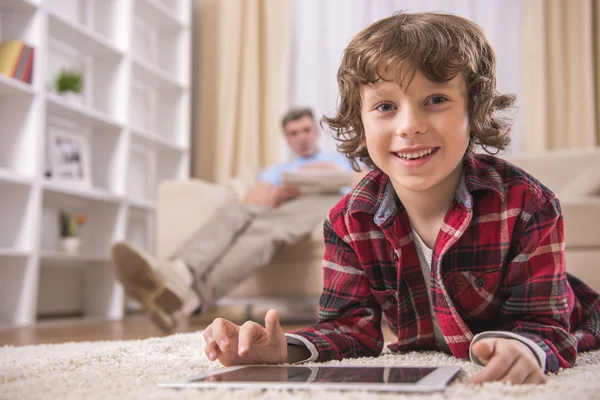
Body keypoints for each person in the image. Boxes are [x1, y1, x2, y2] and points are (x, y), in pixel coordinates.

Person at [201, 11, 600, 385]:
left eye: (436, 100)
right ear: (360, 119)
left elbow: (547, 325)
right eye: (386, 106)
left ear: (473, 108)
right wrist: (282, 349)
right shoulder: (349, 219)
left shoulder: (527, 203)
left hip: (580, 317)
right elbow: (349, 327)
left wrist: (526, 347)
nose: (410, 125)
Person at [111, 107, 357, 332]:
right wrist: (278, 192)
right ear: (287, 139)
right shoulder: (278, 169)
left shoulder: (340, 160)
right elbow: (254, 200)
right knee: (235, 212)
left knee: (266, 233)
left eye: (305, 130)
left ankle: (179, 298)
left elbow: (357, 182)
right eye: (293, 133)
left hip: (320, 202)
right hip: (282, 205)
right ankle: (179, 273)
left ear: (315, 132)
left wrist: (310, 175)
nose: (301, 137)